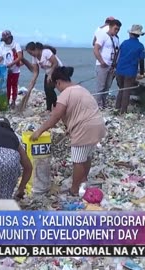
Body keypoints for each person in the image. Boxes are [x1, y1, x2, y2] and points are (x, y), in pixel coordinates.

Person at [30, 67, 106, 196]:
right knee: (86, 156)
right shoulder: (81, 89)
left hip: (85, 128)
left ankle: (75, 189)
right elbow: (76, 112)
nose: (57, 89)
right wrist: (69, 129)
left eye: (56, 86)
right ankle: (83, 181)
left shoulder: (65, 93)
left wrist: (39, 131)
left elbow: (55, 117)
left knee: (77, 160)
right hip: (98, 125)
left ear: (58, 82)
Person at [115, 24, 145, 114]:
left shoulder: (124, 43)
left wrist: (114, 66)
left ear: (130, 34)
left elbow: (117, 55)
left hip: (119, 70)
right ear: (139, 35)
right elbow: (141, 61)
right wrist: (142, 73)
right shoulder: (140, 46)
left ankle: (117, 108)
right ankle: (123, 111)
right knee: (126, 91)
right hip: (130, 72)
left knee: (121, 89)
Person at [25, 42, 63, 112]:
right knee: (46, 90)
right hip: (48, 73)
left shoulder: (46, 52)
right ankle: (48, 109)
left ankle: (55, 106)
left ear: (36, 49)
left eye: (31, 52)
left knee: (49, 89)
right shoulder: (34, 57)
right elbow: (36, 71)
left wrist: (50, 74)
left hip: (58, 70)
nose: (31, 55)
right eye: (30, 54)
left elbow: (55, 63)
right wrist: (32, 83)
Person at [93, 19, 122, 109]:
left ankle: (104, 102)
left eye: (118, 29)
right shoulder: (103, 36)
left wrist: (115, 64)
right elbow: (96, 49)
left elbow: (117, 51)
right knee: (100, 85)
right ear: (110, 27)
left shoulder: (116, 38)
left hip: (111, 65)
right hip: (102, 65)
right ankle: (98, 104)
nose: (116, 31)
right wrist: (101, 61)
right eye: (115, 29)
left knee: (107, 86)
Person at [0, 30, 23, 109]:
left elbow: (20, 57)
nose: (5, 41)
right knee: (6, 86)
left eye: (6, 39)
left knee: (14, 85)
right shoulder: (2, 46)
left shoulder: (16, 45)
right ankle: (6, 101)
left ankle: (13, 101)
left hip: (15, 69)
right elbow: (0, 57)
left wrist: (12, 64)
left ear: (10, 38)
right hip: (6, 69)